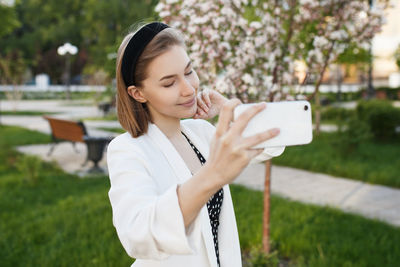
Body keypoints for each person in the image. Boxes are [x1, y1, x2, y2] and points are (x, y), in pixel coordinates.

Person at [107, 21, 284, 267]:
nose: (189, 89)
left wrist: (230, 112)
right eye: (169, 83)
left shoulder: (200, 133)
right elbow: (139, 237)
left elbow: (272, 145)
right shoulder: (128, 150)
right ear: (138, 93)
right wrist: (212, 175)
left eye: (189, 71)